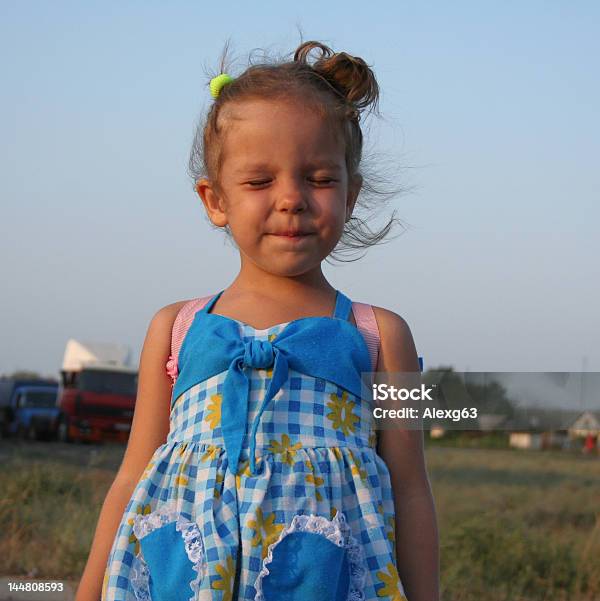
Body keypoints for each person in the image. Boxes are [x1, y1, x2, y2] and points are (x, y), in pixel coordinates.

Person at [76, 40, 439, 601]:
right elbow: (131, 475)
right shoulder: (175, 326)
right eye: (259, 181)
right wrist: (86, 590)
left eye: (319, 178)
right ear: (214, 199)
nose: (291, 199)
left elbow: (412, 489)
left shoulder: (384, 333)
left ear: (351, 193)